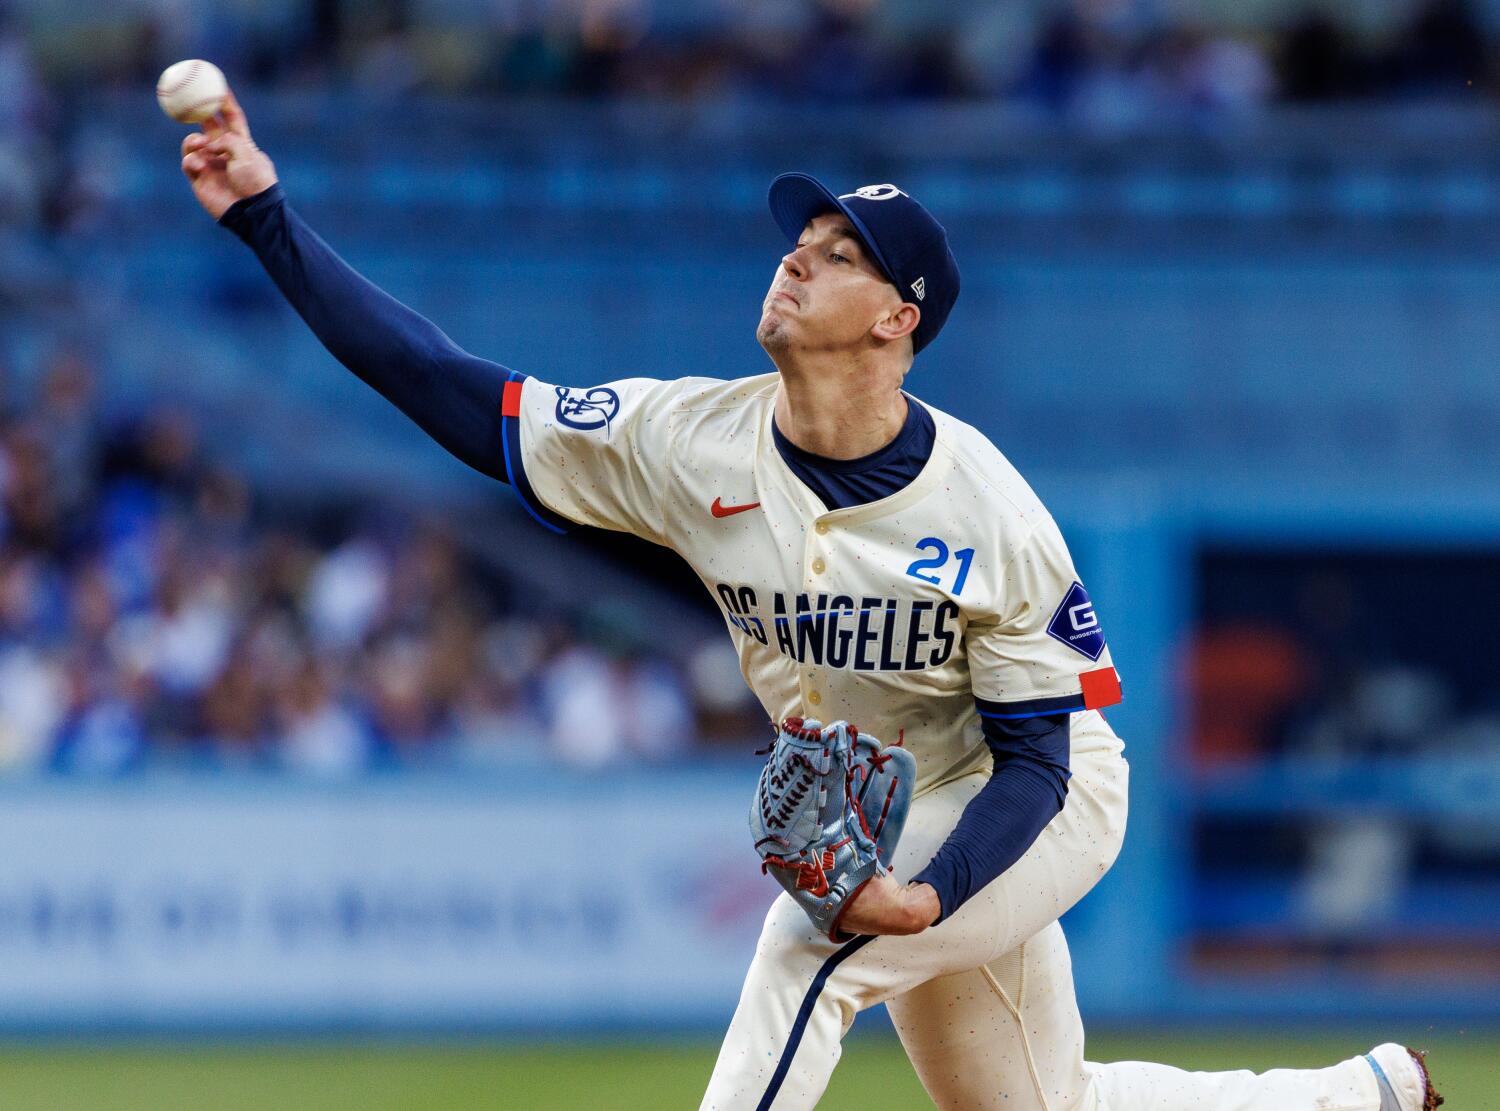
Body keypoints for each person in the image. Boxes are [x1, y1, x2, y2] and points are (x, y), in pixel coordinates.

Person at [177, 89, 1443, 1111]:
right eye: (804, 237)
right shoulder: (689, 440)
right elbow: (449, 386)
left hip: (1032, 793)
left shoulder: (986, 508)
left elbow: (1038, 764)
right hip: (893, 790)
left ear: (899, 319)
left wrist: (927, 898)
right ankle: (1363, 1095)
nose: (800, 255)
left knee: (813, 948)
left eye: (840, 256)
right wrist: (268, 218)